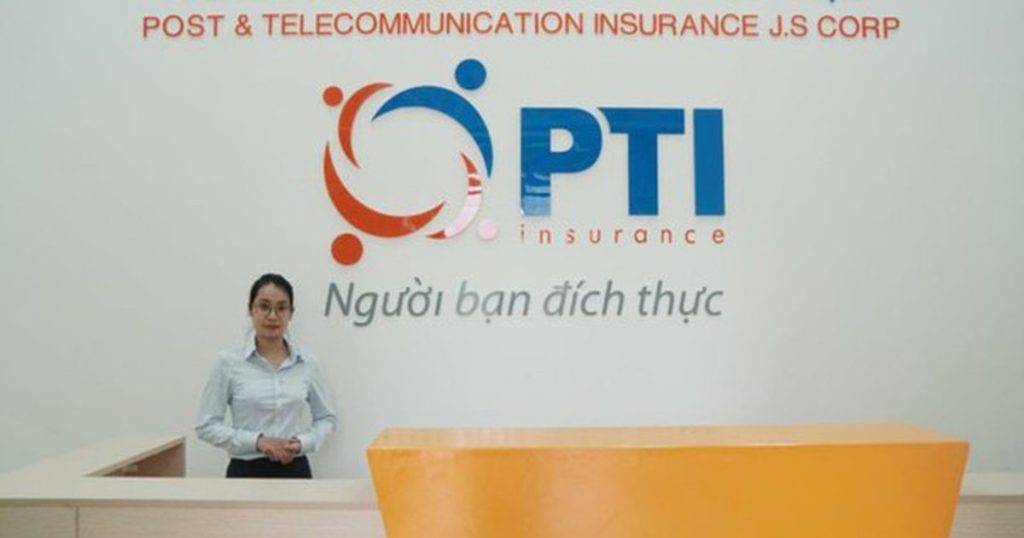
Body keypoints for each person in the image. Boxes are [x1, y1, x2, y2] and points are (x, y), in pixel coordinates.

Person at [196, 273, 337, 478]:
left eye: (281, 308)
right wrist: (258, 442)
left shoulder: (308, 363)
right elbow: (206, 426)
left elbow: (326, 418)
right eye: (264, 306)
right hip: (245, 471)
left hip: (295, 469)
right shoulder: (228, 362)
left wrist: (302, 443)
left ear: (291, 313)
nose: (273, 316)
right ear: (251, 310)